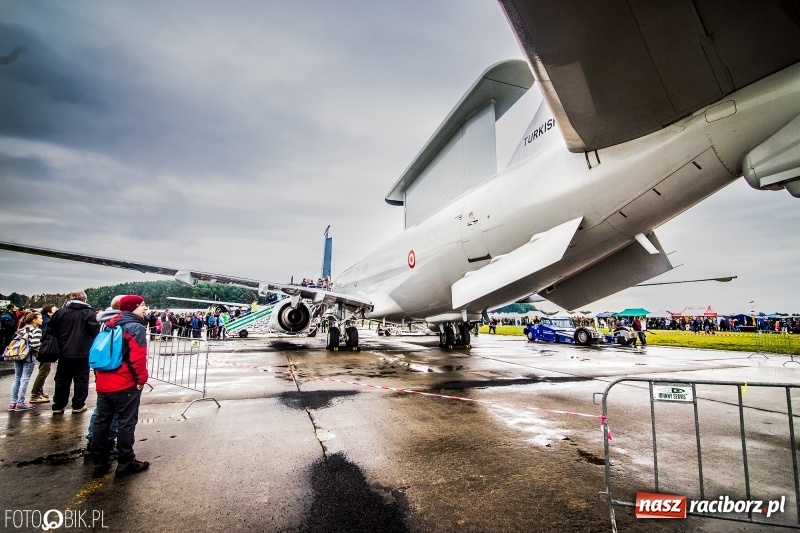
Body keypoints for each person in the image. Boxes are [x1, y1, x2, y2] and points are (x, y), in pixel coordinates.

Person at [91, 295, 150, 478]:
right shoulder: (135, 328)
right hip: (124, 382)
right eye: (142, 305)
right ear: (133, 307)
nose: (145, 308)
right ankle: (126, 461)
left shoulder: (108, 324)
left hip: (104, 380)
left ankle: (99, 462)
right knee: (126, 422)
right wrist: (141, 379)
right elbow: (137, 358)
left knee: (102, 421)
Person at [45, 290, 100, 414]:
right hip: (82, 352)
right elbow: (95, 332)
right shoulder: (89, 313)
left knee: (61, 379)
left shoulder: (60, 312)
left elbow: (50, 330)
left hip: (63, 351)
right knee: (81, 379)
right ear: (84, 299)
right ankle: (78, 404)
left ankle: (58, 405)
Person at [8, 311, 43, 411]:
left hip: (18, 355)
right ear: (34, 320)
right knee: (25, 379)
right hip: (29, 356)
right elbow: (35, 344)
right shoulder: (37, 330)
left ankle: (13, 402)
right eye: (40, 318)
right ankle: (21, 402)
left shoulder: (21, 329)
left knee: (17, 379)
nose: (42, 320)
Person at [29, 304, 57, 403]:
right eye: (55, 311)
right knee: (44, 371)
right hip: (45, 349)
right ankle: (35, 394)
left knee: (44, 370)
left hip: (42, 348)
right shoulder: (48, 321)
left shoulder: (45, 320)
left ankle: (39, 392)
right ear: (49, 312)